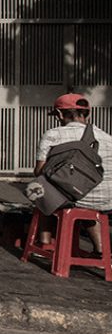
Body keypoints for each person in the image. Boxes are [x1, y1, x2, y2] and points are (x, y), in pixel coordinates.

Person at [33, 93, 112, 252]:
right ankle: (101, 250)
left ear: (60, 115)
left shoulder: (53, 134)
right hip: (107, 201)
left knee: (39, 189)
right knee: (82, 193)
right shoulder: (107, 138)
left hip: (78, 198)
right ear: (87, 114)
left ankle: (44, 242)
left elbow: (39, 171)